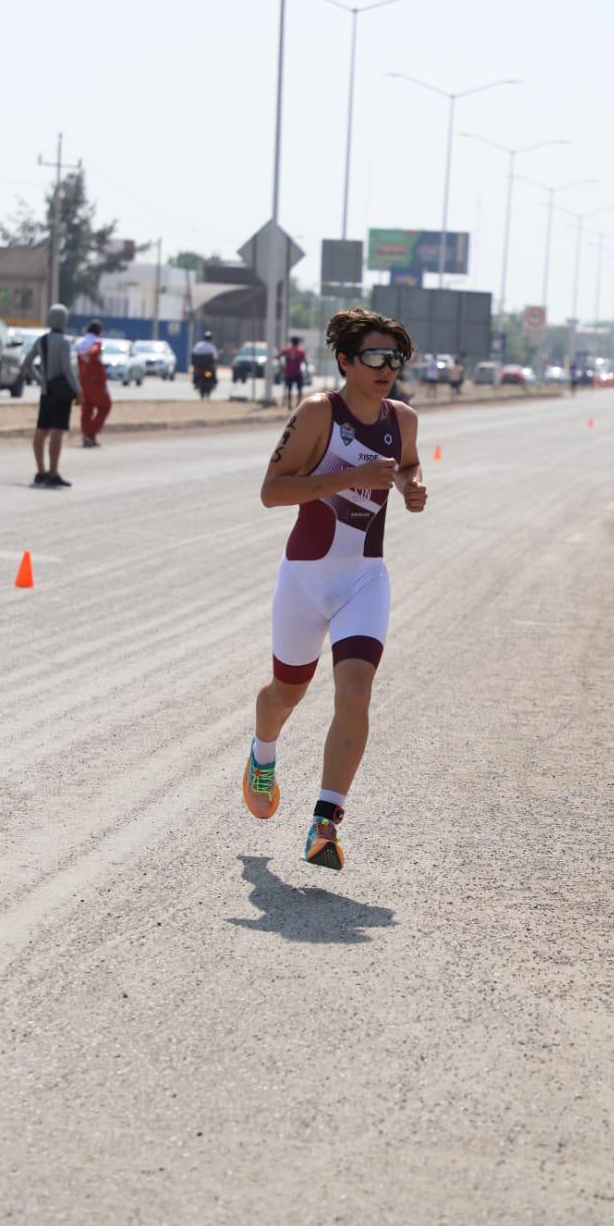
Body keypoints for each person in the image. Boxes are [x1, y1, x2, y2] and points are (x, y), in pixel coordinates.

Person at [243, 308, 427, 870]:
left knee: (354, 694)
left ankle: (326, 823)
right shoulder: (319, 413)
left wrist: (413, 487)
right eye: (374, 356)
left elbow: (408, 467)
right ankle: (263, 754)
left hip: (365, 578)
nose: (386, 368)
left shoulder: (404, 418)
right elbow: (272, 492)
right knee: (285, 695)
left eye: (395, 358)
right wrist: (350, 477)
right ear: (345, 360)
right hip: (305, 578)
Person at [14, 304, 84, 488]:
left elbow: (26, 364)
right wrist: (78, 391)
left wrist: (40, 380)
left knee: (41, 432)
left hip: (46, 393)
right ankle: (53, 473)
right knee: (56, 432)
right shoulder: (64, 342)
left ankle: (41, 471)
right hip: (61, 394)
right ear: (64, 320)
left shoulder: (41, 341)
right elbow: (67, 370)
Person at [75, 320, 112, 448]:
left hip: (83, 381)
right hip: (95, 381)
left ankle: (86, 435)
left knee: (87, 409)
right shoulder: (96, 342)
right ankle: (91, 433)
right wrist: (93, 364)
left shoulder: (81, 342)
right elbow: (94, 352)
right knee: (105, 406)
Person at [280, 335, 307, 409]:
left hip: (288, 373)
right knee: (300, 389)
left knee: (289, 389)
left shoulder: (286, 350)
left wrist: (282, 367)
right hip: (297, 372)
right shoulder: (300, 350)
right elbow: (304, 360)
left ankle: (289, 404)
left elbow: (280, 356)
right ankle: (298, 403)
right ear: (298, 343)